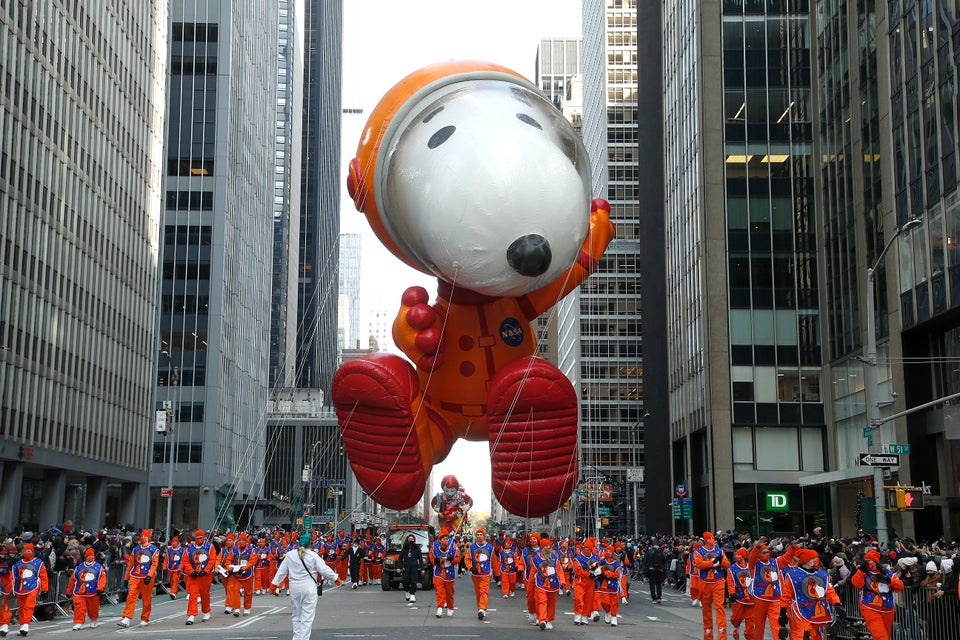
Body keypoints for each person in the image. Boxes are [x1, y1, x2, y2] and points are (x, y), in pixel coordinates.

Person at [271, 532, 338, 640]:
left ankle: (296, 638)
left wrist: (274, 584)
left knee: (296, 615)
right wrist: (335, 578)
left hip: (294, 587)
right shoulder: (313, 556)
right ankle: (303, 638)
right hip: (309, 587)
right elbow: (324, 569)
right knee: (307, 617)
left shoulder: (290, 555)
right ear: (309, 544)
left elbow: (281, 571)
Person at [778, 548, 842, 640]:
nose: (816, 560)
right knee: (801, 635)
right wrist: (782, 611)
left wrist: (837, 603)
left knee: (816, 636)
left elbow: (829, 591)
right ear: (807, 560)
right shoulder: (794, 575)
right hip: (800, 611)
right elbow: (786, 595)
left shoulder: (821, 575)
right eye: (814, 558)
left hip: (817, 611)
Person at [850, 549, 903, 640]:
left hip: (887, 608)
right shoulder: (864, 573)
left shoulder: (887, 573)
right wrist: (861, 571)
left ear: (875, 561)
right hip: (869, 606)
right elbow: (856, 583)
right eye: (865, 561)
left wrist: (888, 580)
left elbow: (900, 586)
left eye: (869, 561)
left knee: (886, 635)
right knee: (881, 636)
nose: (867, 563)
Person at [118, 529, 159, 628]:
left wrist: (149, 575)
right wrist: (126, 577)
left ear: (148, 538)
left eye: (144, 536)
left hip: (146, 577)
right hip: (135, 575)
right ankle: (127, 618)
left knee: (146, 599)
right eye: (141, 536)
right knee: (131, 596)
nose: (142, 538)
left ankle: (145, 618)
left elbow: (154, 564)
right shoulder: (135, 549)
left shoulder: (154, 549)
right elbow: (131, 564)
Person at [693, 531, 730, 640]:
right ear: (705, 540)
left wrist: (721, 561)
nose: (712, 540)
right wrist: (713, 562)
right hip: (704, 583)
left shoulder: (719, 551)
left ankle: (722, 635)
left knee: (720, 607)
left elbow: (727, 565)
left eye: (713, 538)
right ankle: (708, 635)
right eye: (709, 538)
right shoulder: (699, 551)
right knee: (706, 609)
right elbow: (699, 565)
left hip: (718, 581)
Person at [182, 529, 218, 625]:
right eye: (197, 538)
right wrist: (191, 571)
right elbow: (186, 561)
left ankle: (206, 612)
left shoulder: (209, 546)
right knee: (193, 594)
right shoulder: (189, 548)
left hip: (205, 575)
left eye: (201, 538)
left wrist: (206, 570)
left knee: (204, 594)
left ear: (204, 538)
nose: (199, 540)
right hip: (193, 575)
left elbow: (212, 559)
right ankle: (191, 615)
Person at [532, 537, 568, 630]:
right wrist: (530, 584)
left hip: (553, 583)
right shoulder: (536, 559)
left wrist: (563, 581)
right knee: (542, 601)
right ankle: (542, 620)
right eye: (547, 546)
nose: (549, 547)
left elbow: (559, 570)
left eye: (550, 545)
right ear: (543, 547)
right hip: (541, 583)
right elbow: (533, 572)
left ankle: (549, 620)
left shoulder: (555, 558)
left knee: (552, 603)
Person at [12, 542, 47, 637]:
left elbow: (43, 576)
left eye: (29, 551)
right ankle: (22, 625)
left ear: (32, 552)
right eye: (25, 551)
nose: (27, 552)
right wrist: (13, 589)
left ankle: (26, 624)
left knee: (29, 606)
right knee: (21, 608)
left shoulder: (38, 563)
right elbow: (15, 577)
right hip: (21, 588)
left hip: (33, 586)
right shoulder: (18, 564)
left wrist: (44, 589)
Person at [67, 548, 107, 630]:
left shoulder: (98, 567)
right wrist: (69, 590)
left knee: (93, 608)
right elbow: (73, 579)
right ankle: (78, 622)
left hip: (93, 592)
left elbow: (102, 578)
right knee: (79, 607)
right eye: (89, 556)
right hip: (79, 592)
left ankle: (93, 619)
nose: (90, 557)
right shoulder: (79, 567)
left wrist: (100, 588)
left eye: (92, 556)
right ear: (86, 557)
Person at [464, 528, 495, 619]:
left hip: (486, 574)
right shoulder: (472, 547)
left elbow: (494, 561)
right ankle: (480, 609)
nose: (479, 536)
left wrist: (497, 575)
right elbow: (467, 559)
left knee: (483, 591)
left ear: (484, 536)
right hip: (475, 574)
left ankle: (482, 608)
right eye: (477, 535)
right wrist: (470, 567)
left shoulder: (490, 548)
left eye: (481, 534)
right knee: (478, 592)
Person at [430, 528, 460, 617]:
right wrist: (436, 560)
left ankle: (450, 607)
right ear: (439, 540)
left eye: (446, 538)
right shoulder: (434, 547)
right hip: (439, 571)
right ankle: (440, 607)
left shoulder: (453, 546)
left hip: (449, 572)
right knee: (439, 591)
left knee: (449, 592)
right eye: (443, 539)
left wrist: (451, 559)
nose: (445, 540)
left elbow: (458, 559)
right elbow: (431, 557)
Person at [726, 548, 754, 640]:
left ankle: (750, 636)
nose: (737, 556)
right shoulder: (732, 569)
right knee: (737, 617)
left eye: (739, 555)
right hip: (738, 597)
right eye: (736, 554)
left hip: (750, 598)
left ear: (744, 557)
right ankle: (736, 627)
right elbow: (730, 582)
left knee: (750, 619)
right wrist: (732, 593)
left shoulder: (751, 567)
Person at [572, 538, 600, 625]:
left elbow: (599, 567)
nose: (586, 551)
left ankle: (584, 617)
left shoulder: (595, 557)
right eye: (585, 549)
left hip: (591, 581)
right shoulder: (578, 558)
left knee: (588, 599)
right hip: (580, 580)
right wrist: (588, 574)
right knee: (578, 598)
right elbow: (578, 570)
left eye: (588, 549)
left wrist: (597, 573)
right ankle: (577, 615)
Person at [596, 544, 624, 626]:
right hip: (604, 584)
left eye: (609, 551)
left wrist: (607, 573)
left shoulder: (616, 563)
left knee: (614, 602)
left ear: (612, 553)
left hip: (614, 584)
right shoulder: (602, 561)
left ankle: (614, 617)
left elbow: (617, 574)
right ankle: (607, 612)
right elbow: (597, 568)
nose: (608, 553)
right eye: (607, 551)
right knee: (604, 602)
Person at [399, 533, 423, 603]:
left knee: (413, 582)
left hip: (414, 568)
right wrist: (399, 567)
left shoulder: (417, 548)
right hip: (406, 568)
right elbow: (400, 558)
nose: (411, 540)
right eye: (409, 539)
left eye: (412, 539)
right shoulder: (405, 548)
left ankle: (412, 594)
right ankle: (407, 591)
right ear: (407, 540)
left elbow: (420, 559)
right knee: (405, 582)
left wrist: (422, 568)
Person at [498, 534, 520, 599]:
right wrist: (498, 569)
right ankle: (505, 593)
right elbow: (499, 561)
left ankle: (512, 590)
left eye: (508, 543)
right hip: (504, 570)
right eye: (506, 543)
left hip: (512, 570)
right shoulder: (501, 553)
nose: (507, 545)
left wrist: (516, 566)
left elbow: (516, 560)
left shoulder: (514, 552)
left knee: (512, 582)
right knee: (505, 582)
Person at [0, 544, 15, 638]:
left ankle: (4, 626)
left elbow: (8, 577)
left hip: (3, 588)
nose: (3, 555)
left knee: (4, 607)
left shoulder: (6, 562)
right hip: (3, 587)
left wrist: (9, 588)